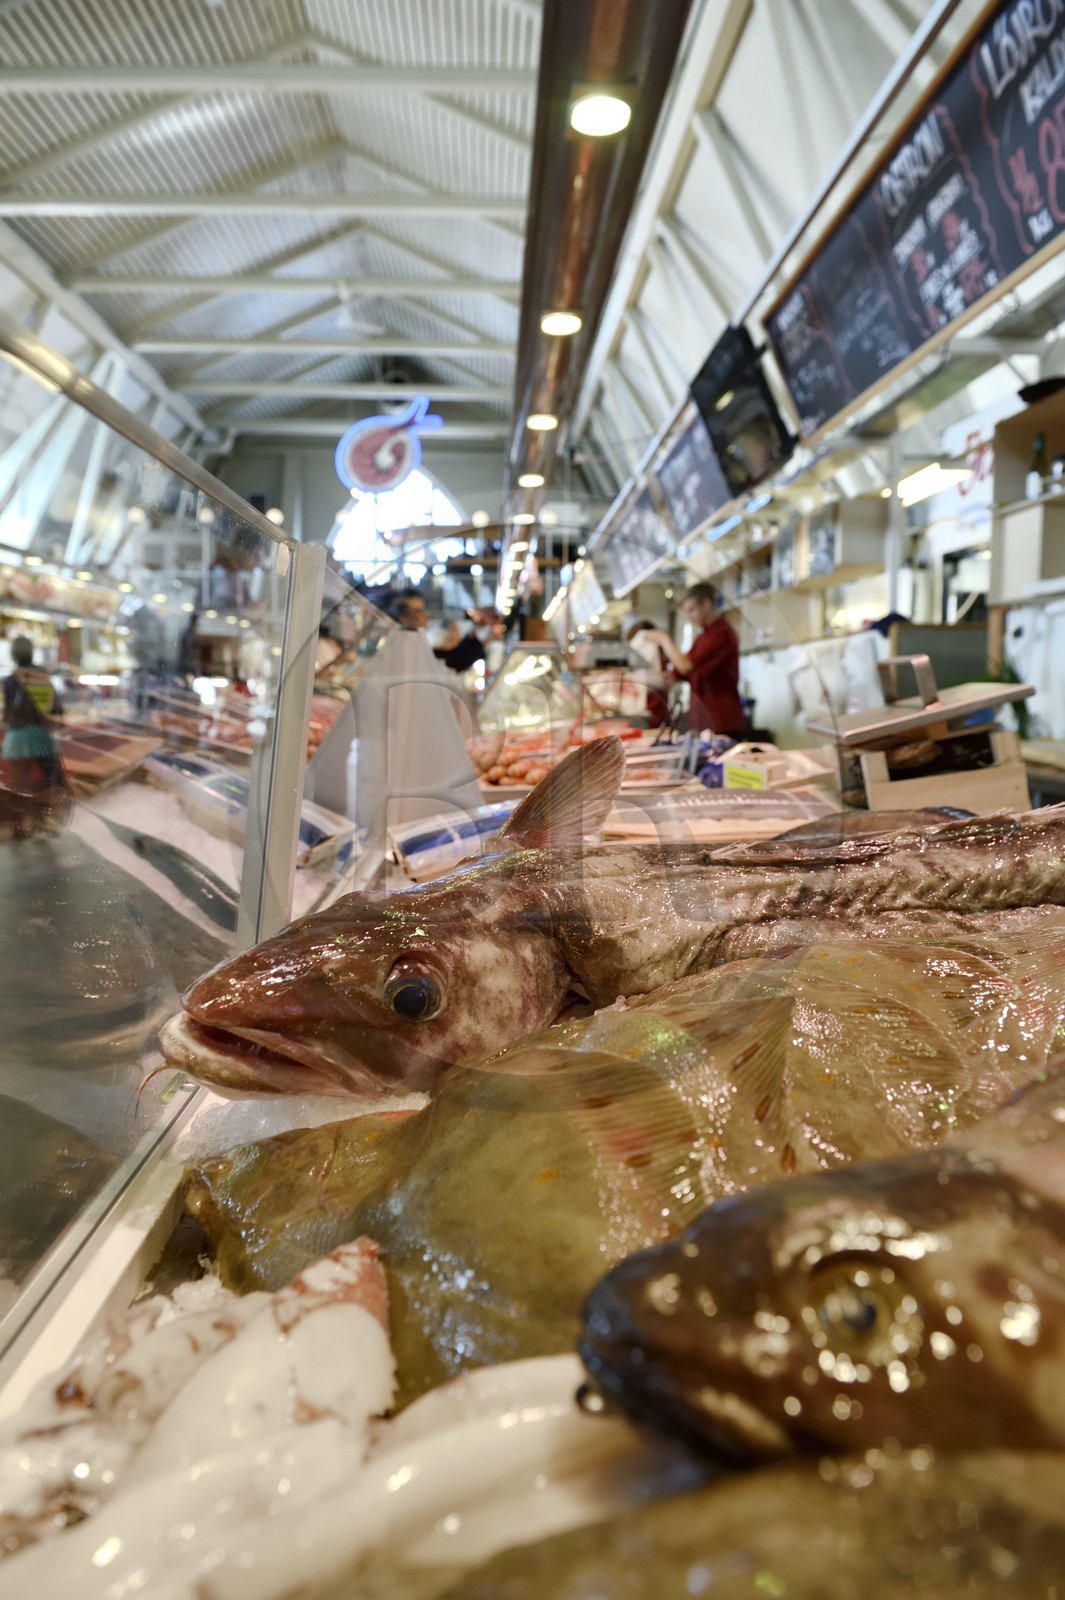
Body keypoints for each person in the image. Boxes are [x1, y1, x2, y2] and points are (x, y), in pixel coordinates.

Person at [641, 584, 745, 737]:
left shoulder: (721, 633)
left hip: (721, 720)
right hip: (703, 720)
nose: (689, 616)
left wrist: (664, 640)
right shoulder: (703, 636)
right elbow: (683, 671)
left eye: (692, 610)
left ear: (706, 603)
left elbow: (686, 666)